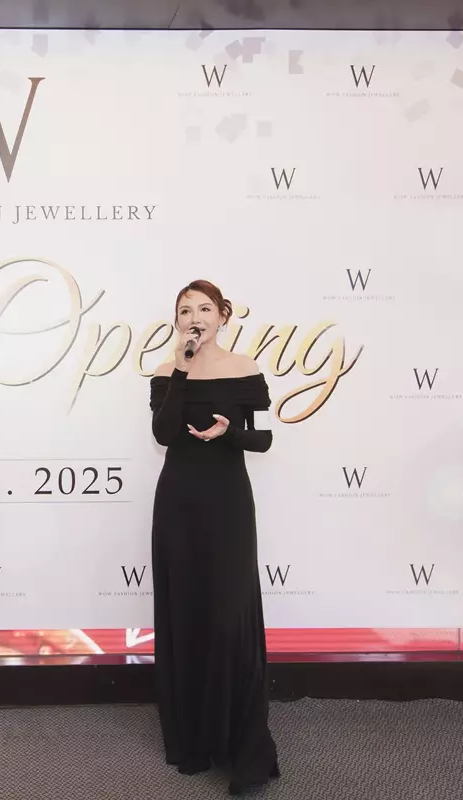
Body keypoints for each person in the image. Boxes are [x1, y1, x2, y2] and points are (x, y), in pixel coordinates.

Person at [148, 279, 280, 795]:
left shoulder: (244, 368)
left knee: (229, 613)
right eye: (186, 310)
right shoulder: (167, 372)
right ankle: (192, 739)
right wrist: (182, 368)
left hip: (228, 504)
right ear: (177, 320)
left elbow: (264, 438)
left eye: (205, 309)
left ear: (223, 315)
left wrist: (231, 434)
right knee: (186, 609)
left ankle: (240, 743)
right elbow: (162, 434)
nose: (195, 317)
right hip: (178, 503)